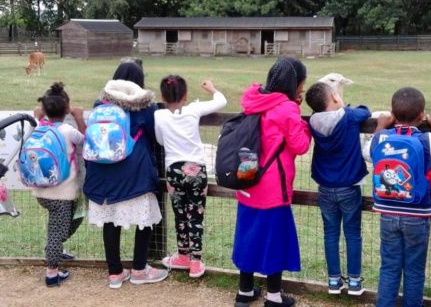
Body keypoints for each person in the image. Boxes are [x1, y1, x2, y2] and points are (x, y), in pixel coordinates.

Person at [365, 87, 431, 307]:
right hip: (417, 214)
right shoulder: (426, 138)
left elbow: (368, 154)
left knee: (389, 266)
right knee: (414, 269)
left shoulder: (382, 138)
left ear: (392, 113)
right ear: (422, 115)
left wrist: (379, 127)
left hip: (387, 212)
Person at [232, 57, 311, 307]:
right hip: (272, 187)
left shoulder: (252, 98)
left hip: (247, 177)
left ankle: (245, 291)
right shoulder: (286, 108)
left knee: (248, 236)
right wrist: (305, 126)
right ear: (294, 82)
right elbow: (300, 145)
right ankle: (274, 297)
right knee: (274, 240)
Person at [83, 62, 168, 289]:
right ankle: (140, 269)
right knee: (144, 219)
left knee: (110, 220)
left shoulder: (100, 103)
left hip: (101, 173)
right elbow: (154, 135)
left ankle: (115, 273)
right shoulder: (145, 106)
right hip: (135, 172)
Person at [154, 76, 227, 278]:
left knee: (180, 215)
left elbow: (160, 140)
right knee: (195, 215)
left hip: (174, 171)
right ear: (185, 95)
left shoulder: (159, 115)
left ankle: (182, 255)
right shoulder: (193, 110)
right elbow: (222, 101)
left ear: (162, 96)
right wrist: (212, 88)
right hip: (196, 169)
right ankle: (195, 261)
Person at [304, 81, 370, 296]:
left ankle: (333, 280)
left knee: (330, 233)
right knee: (352, 234)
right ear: (334, 98)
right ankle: (354, 281)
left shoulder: (313, 121)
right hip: (349, 187)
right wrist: (346, 105)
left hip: (325, 187)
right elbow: (365, 112)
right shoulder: (349, 116)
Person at [32, 82, 86, 287]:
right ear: (66, 109)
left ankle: (56, 246)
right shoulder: (67, 130)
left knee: (71, 219)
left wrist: (40, 114)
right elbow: (86, 140)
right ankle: (52, 272)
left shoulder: (40, 126)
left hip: (41, 191)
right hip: (62, 193)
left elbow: (39, 115)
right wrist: (79, 117)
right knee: (57, 230)